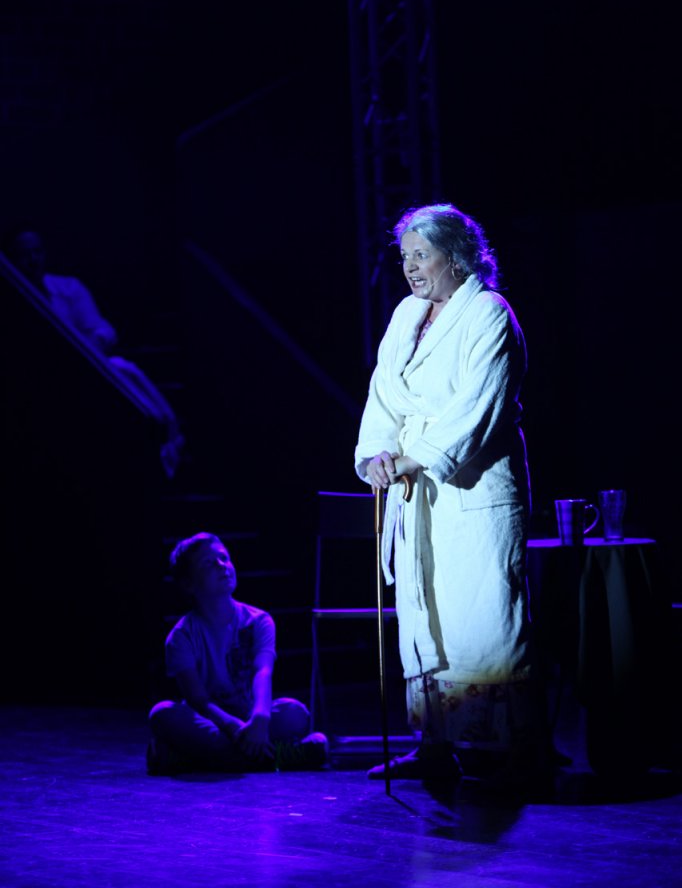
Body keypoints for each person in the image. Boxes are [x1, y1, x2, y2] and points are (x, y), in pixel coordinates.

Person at [355, 203, 548, 790]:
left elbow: (479, 405)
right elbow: (383, 396)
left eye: (423, 255)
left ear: (457, 256)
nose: (411, 267)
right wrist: (377, 454)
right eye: (405, 256)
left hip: (473, 486)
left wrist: (412, 458)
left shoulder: (488, 313)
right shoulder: (405, 316)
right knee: (425, 619)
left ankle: (517, 751)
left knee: (484, 620)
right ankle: (434, 745)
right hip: (415, 492)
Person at [2, 227, 185, 478]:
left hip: (85, 373)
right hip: (38, 384)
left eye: (37, 251)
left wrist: (87, 346)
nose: (33, 260)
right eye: (24, 254)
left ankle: (166, 435)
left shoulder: (68, 288)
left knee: (123, 368)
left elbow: (104, 329)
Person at [147, 531, 329, 774]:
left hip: (250, 717)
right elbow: (199, 701)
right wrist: (234, 728)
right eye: (208, 563)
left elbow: (263, 672)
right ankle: (277, 757)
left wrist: (261, 718)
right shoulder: (181, 637)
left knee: (296, 713)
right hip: (212, 721)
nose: (221, 565)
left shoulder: (259, 621)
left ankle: (188, 760)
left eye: (224, 558)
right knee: (162, 714)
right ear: (189, 583)